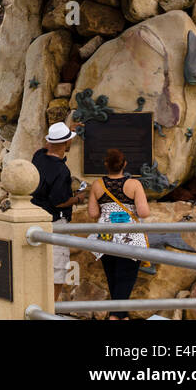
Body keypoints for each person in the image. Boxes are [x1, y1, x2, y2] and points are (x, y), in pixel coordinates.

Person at [87, 148, 150, 320]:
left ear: (106, 164)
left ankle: (122, 316)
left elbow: (93, 213)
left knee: (114, 281)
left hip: (105, 238)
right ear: (125, 164)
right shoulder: (134, 184)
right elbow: (143, 212)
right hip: (130, 239)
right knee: (125, 281)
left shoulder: (97, 185)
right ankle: (116, 316)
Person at [32, 122, 83, 293]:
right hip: (55, 221)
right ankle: (50, 309)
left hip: (36, 219)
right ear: (66, 143)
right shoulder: (61, 171)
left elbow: (50, 145)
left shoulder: (38, 156)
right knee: (58, 269)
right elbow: (59, 202)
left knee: (38, 268)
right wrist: (77, 199)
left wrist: (66, 131)